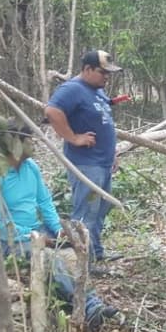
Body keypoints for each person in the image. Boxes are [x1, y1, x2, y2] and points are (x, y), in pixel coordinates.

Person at [0, 125, 118, 331]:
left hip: (36, 228)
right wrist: (35, 238)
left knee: (74, 248)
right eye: (28, 140)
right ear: (14, 145)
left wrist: (57, 229)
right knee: (50, 258)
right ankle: (88, 307)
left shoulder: (31, 167)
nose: (33, 144)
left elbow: (45, 202)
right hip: (11, 241)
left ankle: (91, 301)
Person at [45, 49, 122, 268]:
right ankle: (82, 262)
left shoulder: (97, 91)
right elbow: (52, 111)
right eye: (102, 72)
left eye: (109, 74)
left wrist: (112, 152)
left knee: (100, 211)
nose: (106, 77)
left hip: (103, 162)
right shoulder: (72, 89)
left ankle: (95, 252)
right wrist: (73, 137)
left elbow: (104, 123)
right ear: (87, 69)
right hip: (86, 164)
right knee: (86, 213)